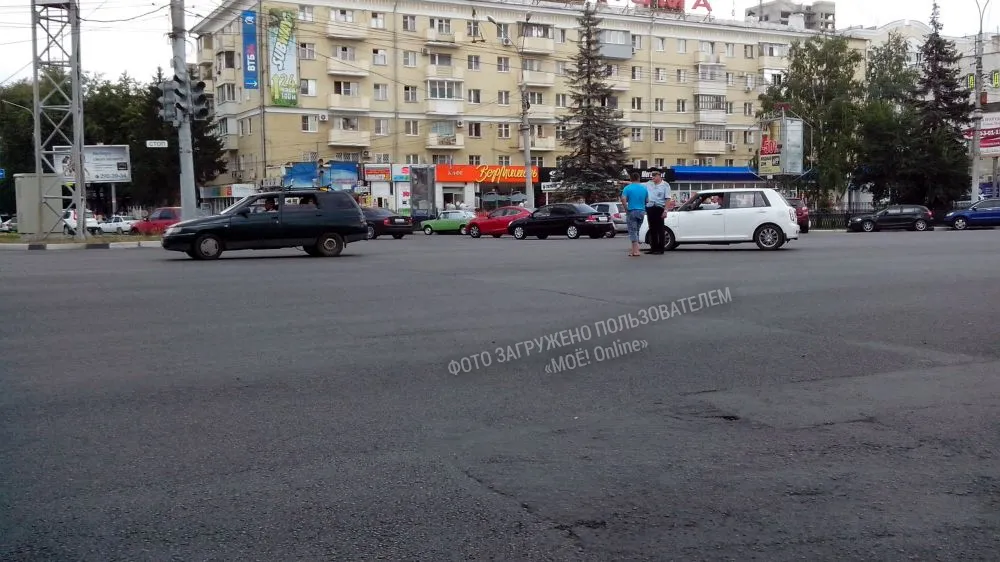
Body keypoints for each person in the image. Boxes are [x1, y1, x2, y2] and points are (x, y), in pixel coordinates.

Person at [620, 171, 648, 257]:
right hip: (641, 211)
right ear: (639, 178)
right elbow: (647, 200)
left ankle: (636, 251)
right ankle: (634, 250)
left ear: (631, 179)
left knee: (632, 231)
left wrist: (626, 209)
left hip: (632, 210)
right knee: (637, 231)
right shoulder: (644, 188)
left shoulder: (627, 188)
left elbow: (623, 199)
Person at [645, 168, 671, 254]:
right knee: (652, 229)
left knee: (660, 229)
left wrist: (665, 211)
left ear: (659, 176)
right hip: (650, 208)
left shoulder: (665, 185)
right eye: (652, 176)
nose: (653, 178)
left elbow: (668, 199)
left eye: (654, 176)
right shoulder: (649, 184)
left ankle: (661, 249)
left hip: (659, 208)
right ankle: (653, 248)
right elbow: (638, 184)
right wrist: (624, 182)